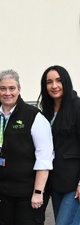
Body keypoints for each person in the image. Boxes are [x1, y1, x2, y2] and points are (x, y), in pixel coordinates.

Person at [0, 69, 54, 225]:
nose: (7, 93)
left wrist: (38, 192)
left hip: (28, 194)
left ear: (19, 89)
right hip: (2, 193)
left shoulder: (34, 116)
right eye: (3, 88)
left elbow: (44, 157)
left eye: (12, 88)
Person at [37, 65, 80, 225]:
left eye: (58, 80)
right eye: (49, 82)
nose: (54, 86)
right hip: (55, 183)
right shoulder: (45, 112)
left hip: (74, 184)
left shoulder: (77, 106)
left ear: (66, 82)